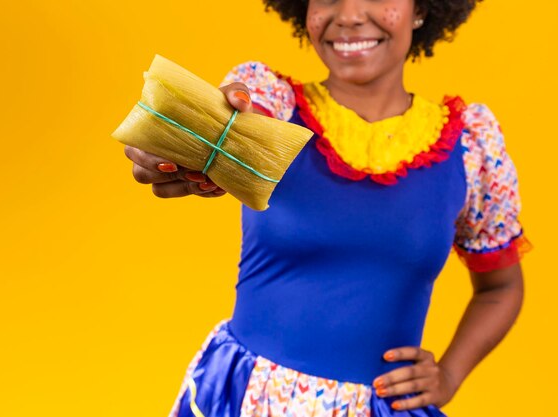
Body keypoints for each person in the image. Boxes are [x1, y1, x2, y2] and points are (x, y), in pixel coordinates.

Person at [123, 0, 532, 415]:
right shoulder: (272, 102)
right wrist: (195, 142)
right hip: (249, 398)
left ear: (422, 8)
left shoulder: (470, 147)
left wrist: (448, 375)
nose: (350, 15)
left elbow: (501, 287)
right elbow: (235, 122)